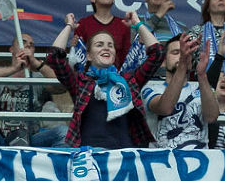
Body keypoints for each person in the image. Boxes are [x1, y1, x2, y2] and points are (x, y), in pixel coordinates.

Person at [45, 12, 165, 149]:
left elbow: (158, 54)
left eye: (110, 45)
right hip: (89, 155)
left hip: (124, 155)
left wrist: (138, 23)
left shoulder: (129, 80)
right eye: (99, 45)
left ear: (114, 53)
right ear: (88, 55)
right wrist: (69, 26)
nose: (106, 48)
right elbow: (53, 56)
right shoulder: (80, 82)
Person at [0, 36, 66, 147]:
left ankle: (54, 159)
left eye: (31, 45)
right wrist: (14, 69)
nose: (27, 45)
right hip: (1, 139)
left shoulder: (38, 77)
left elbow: (63, 85)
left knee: (63, 131)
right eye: (23, 42)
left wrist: (38, 64)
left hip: (30, 140)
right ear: (11, 49)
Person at [142, 32, 216, 150]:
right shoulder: (150, 89)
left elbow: (212, 117)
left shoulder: (202, 86)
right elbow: (165, 108)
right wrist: (182, 64)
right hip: (163, 158)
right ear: (164, 61)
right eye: (176, 52)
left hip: (200, 158)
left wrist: (202, 75)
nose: (182, 56)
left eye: (186, 53)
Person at [74, 0, 132, 72]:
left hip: (117, 77)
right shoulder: (83, 24)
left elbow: (127, 58)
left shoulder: (123, 24)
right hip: (90, 77)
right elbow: (78, 57)